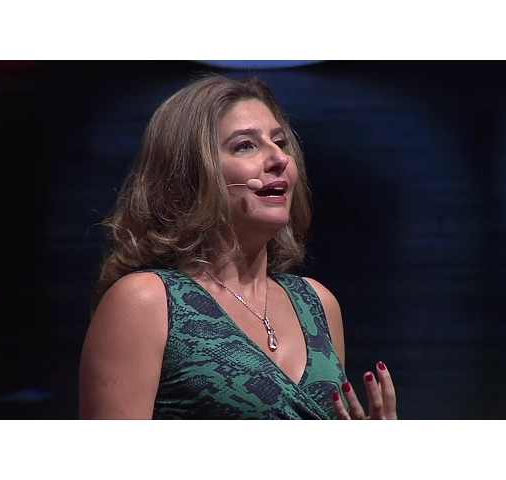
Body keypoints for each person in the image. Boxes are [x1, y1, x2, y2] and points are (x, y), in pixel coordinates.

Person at [79, 74, 397, 420]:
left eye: (280, 142)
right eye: (245, 145)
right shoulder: (144, 302)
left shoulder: (317, 303)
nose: (279, 158)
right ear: (191, 173)